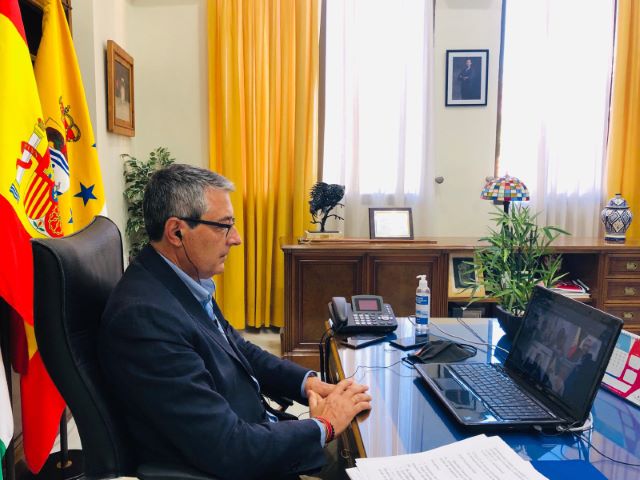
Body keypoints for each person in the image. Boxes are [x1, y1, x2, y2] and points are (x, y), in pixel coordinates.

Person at [98, 164, 372, 480]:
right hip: (246, 462)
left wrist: (308, 383)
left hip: (261, 433)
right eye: (224, 226)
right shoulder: (145, 319)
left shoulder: (180, 280)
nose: (236, 239)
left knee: (364, 447)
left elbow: (239, 350)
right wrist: (324, 425)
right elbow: (228, 447)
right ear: (176, 232)